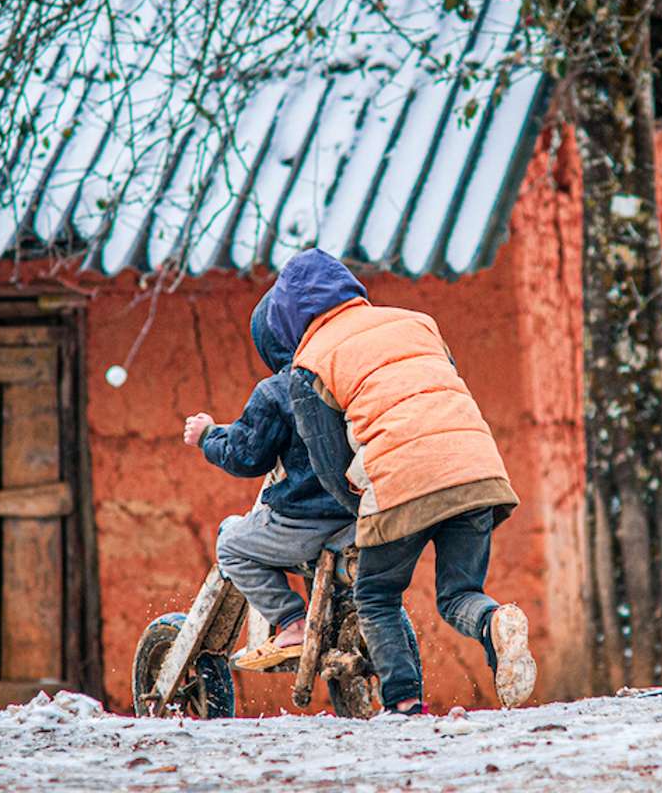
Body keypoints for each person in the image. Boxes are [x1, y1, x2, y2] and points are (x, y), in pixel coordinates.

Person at [265, 248, 537, 713]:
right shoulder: (416, 321)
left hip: (402, 479)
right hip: (477, 469)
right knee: (459, 595)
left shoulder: (309, 362)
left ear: (288, 317)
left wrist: (362, 512)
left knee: (376, 595)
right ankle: (493, 622)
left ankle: (404, 703)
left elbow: (330, 462)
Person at [182, 291, 354, 671]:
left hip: (308, 521)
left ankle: (292, 622)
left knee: (233, 543)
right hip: (356, 516)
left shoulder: (277, 390)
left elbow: (246, 455)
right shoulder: (349, 373)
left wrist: (208, 436)